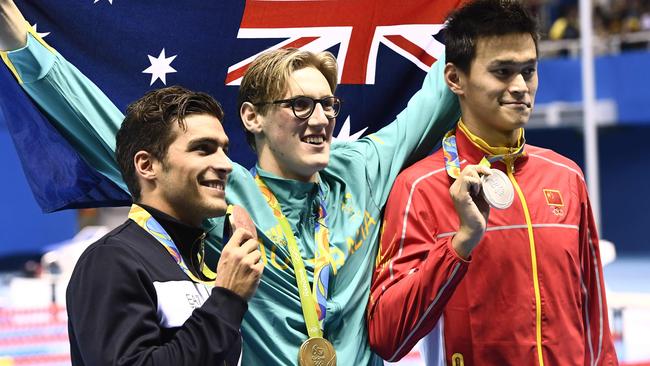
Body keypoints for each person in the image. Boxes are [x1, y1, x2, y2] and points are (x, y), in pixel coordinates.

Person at [0, 0, 460, 364]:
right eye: (300, 105)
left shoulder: (362, 167)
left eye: (328, 105)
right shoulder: (219, 197)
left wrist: (478, 24)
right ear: (252, 117)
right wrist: (18, 36)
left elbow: (438, 97)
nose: (320, 119)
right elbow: (99, 123)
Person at [367, 0, 618, 365]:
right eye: (502, 71)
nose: (520, 86)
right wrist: (460, 244)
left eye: (528, 71)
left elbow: (594, 319)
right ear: (455, 78)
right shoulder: (419, 187)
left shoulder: (566, 176)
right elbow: (387, 336)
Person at [65, 86, 263, 365]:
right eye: (203, 149)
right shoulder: (111, 259)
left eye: (224, 150)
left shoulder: (201, 265)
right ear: (147, 165)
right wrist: (227, 299)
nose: (225, 164)